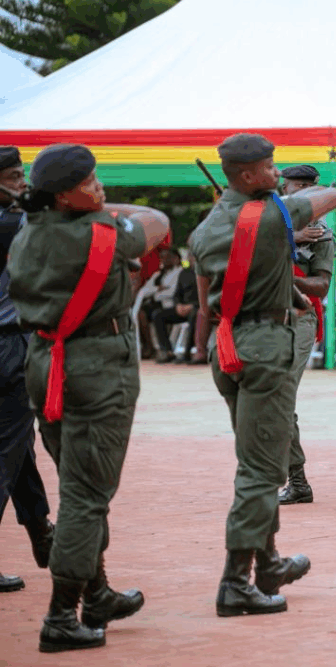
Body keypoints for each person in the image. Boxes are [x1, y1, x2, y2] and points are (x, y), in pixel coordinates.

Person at [8, 144, 169, 651]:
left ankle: (97, 594)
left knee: (75, 481)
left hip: (45, 362)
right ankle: (61, 615)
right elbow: (156, 221)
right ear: (63, 196)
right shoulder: (99, 233)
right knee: (86, 496)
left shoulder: (28, 231)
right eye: (90, 183)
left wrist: (82, 204)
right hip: (95, 368)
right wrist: (105, 210)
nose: (100, 188)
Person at [190, 134, 336, 617]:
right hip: (264, 346)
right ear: (249, 175)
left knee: (255, 455)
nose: (278, 174)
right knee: (260, 471)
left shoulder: (205, 229)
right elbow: (332, 195)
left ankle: (269, 563)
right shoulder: (275, 215)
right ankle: (236, 582)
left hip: (226, 345)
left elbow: (205, 303)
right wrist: (275, 205)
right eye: (271, 167)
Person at [0, 146, 54, 595]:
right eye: (15, 176)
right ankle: (41, 530)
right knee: (7, 449)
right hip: (9, 347)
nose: (23, 184)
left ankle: (40, 528)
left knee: (17, 444)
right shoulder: (15, 223)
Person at [277, 165, 336, 506]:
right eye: (294, 187)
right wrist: (287, 238)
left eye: (306, 187)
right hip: (264, 317)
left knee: (282, 395)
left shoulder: (322, 235)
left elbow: (322, 285)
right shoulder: (267, 223)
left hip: (300, 316)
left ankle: (297, 479)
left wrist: (288, 275)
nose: (300, 194)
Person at [138, 248, 182, 363]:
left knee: (156, 314)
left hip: (169, 304)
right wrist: (157, 288)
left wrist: (155, 295)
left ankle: (163, 349)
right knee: (139, 313)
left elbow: (172, 292)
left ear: (176, 259)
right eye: (162, 257)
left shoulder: (179, 272)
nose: (164, 260)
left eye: (167, 257)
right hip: (155, 304)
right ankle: (149, 346)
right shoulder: (158, 274)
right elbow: (144, 291)